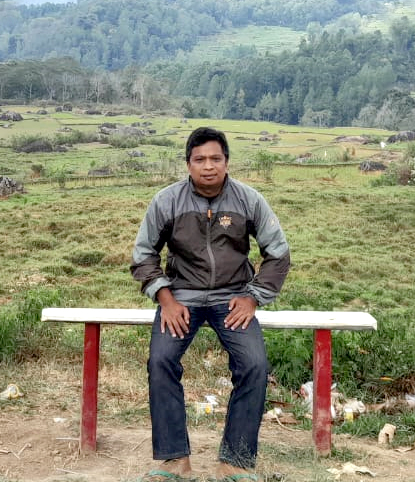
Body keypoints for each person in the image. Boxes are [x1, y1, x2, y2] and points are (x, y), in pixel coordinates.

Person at [130, 127, 290, 481]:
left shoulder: (249, 200)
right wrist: (165, 298)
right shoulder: (167, 201)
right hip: (181, 297)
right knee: (160, 361)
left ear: (226, 162)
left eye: (215, 158)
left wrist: (253, 297)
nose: (208, 166)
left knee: (254, 364)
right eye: (199, 159)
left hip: (233, 298)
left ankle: (235, 461)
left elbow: (278, 254)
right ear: (188, 164)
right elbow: (143, 255)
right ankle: (174, 460)